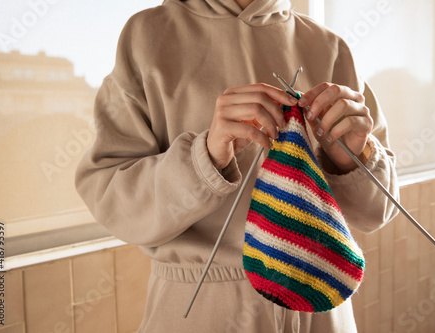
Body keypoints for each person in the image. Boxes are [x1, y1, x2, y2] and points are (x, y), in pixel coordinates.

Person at [75, 0, 399, 332]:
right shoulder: (148, 37)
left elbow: (377, 213)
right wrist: (206, 158)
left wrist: (352, 152)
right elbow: (113, 201)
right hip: (203, 313)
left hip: (324, 308)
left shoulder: (329, 47)